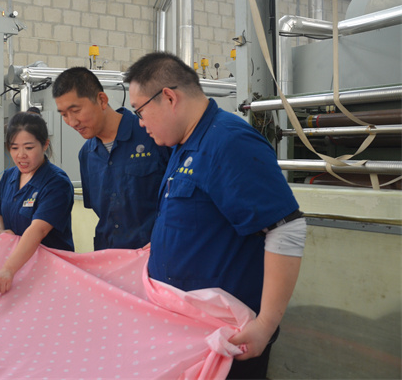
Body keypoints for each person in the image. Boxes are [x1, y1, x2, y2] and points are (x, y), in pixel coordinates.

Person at [124, 52, 306, 380]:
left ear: (169, 97)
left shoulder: (228, 142)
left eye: (140, 110)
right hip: (188, 330)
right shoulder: (184, 144)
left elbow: (286, 228)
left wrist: (265, 324)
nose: (139, 122)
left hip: (228, 338)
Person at [52, 67, 170, 250]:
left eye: (76, 111)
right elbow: (102, 212)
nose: (72, 122)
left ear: (101, 100)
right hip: (108, 255)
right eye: (64, 115)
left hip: (154, 253)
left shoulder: (152, 136)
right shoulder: (87, 154)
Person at [0, 111, 74, 295]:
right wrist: (1, 232)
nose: (21, 155)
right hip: (18, 268)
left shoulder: (56, 183)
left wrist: (8, 269)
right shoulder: (8, 177)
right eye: (14, 148)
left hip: (49, 271)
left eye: (28, 147)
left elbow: (38, 230)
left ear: (45, 145)